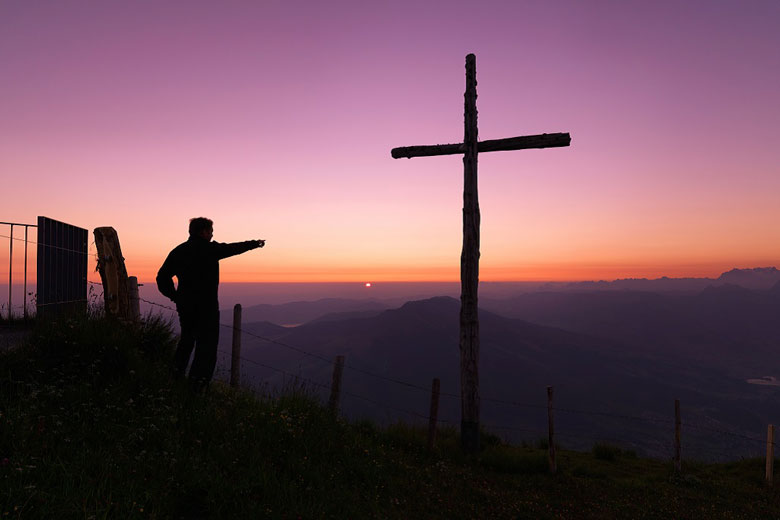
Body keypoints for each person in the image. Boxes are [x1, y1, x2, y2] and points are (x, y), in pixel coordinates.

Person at [156, 217, 264, 390]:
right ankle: (197, 387)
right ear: (203, 232)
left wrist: (175, 296)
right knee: (206, 347)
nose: (212, 234)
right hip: (207, 307)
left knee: (186, 341)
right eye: (211, 231)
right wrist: (254, 244)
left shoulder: (179, 251)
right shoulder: (210, 249)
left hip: (186, 306)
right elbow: (233, 248)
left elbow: (162, 277)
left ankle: (175, 378)